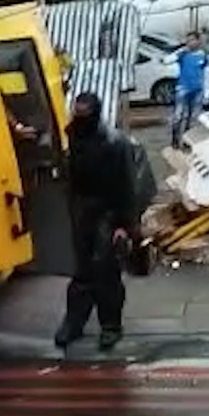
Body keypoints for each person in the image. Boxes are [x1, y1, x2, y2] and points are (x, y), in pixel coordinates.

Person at [55, 92, 138, 352]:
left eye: (84, 112)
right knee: (82, 271)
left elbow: (126, 185)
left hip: (108, 212)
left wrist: (125, 225)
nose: (79, 117)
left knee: (106, 272)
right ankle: (74, 323)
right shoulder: (72, 137)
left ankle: (110, 326)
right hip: (82, 209)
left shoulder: (114, 143)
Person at [172, 31, 209, 148]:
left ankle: (188, 141)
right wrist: (181, 51)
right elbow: (166, 60)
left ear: (198, 41)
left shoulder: (204, 56)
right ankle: (175, 140)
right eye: (188, 41)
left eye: (192, 40)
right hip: (183, 88)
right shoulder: (183, 55)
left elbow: (207, 74)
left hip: (197, 89)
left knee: (193, 117)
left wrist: (207, 92)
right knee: (178, 115)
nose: (190, 43)